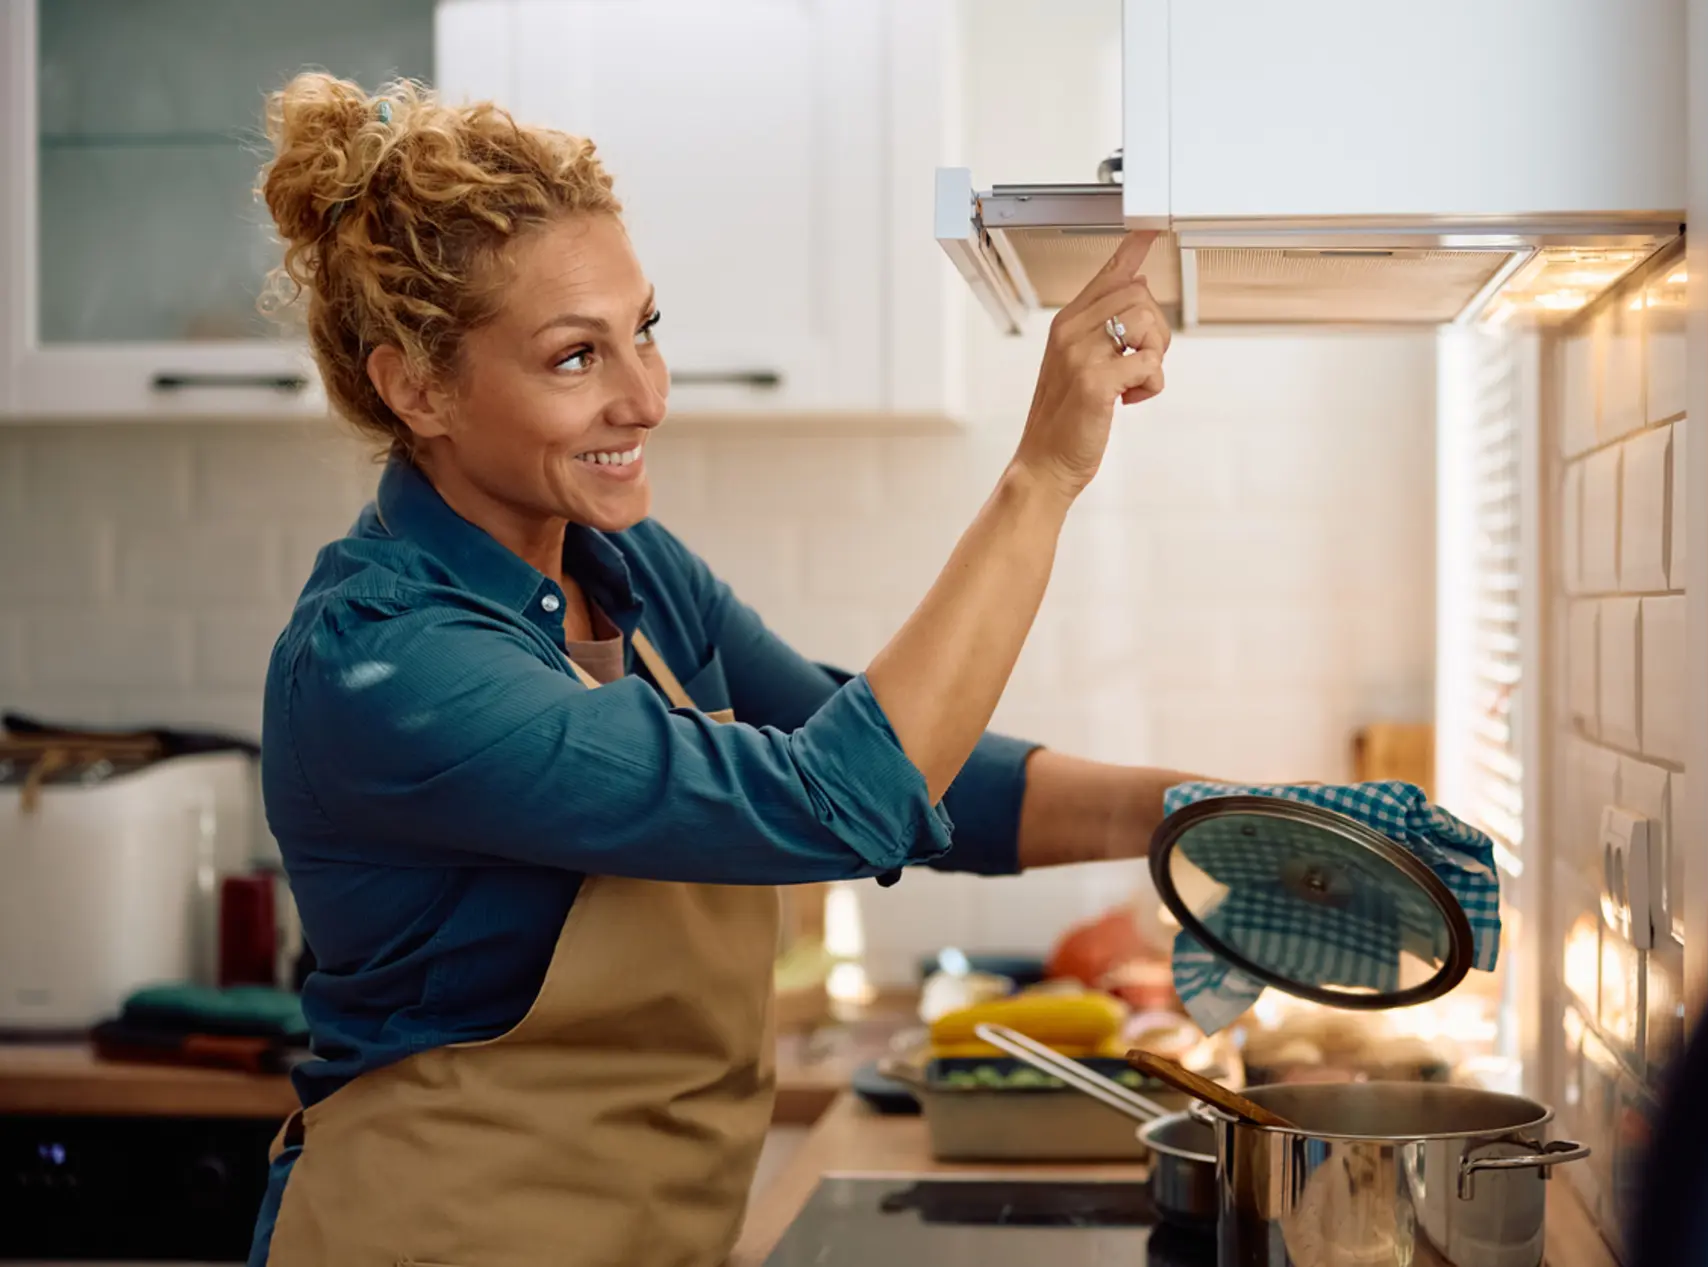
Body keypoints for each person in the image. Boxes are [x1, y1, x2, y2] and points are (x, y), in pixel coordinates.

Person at [248, 72, 1189, 1267]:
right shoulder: (390, 662)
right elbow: (841, 800)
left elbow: (916, 770)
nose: (644, 394)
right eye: (574, 357)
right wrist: (1042, 472)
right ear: (416, 386)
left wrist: (1214, 817)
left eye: (642, 327)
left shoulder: (629, 569)